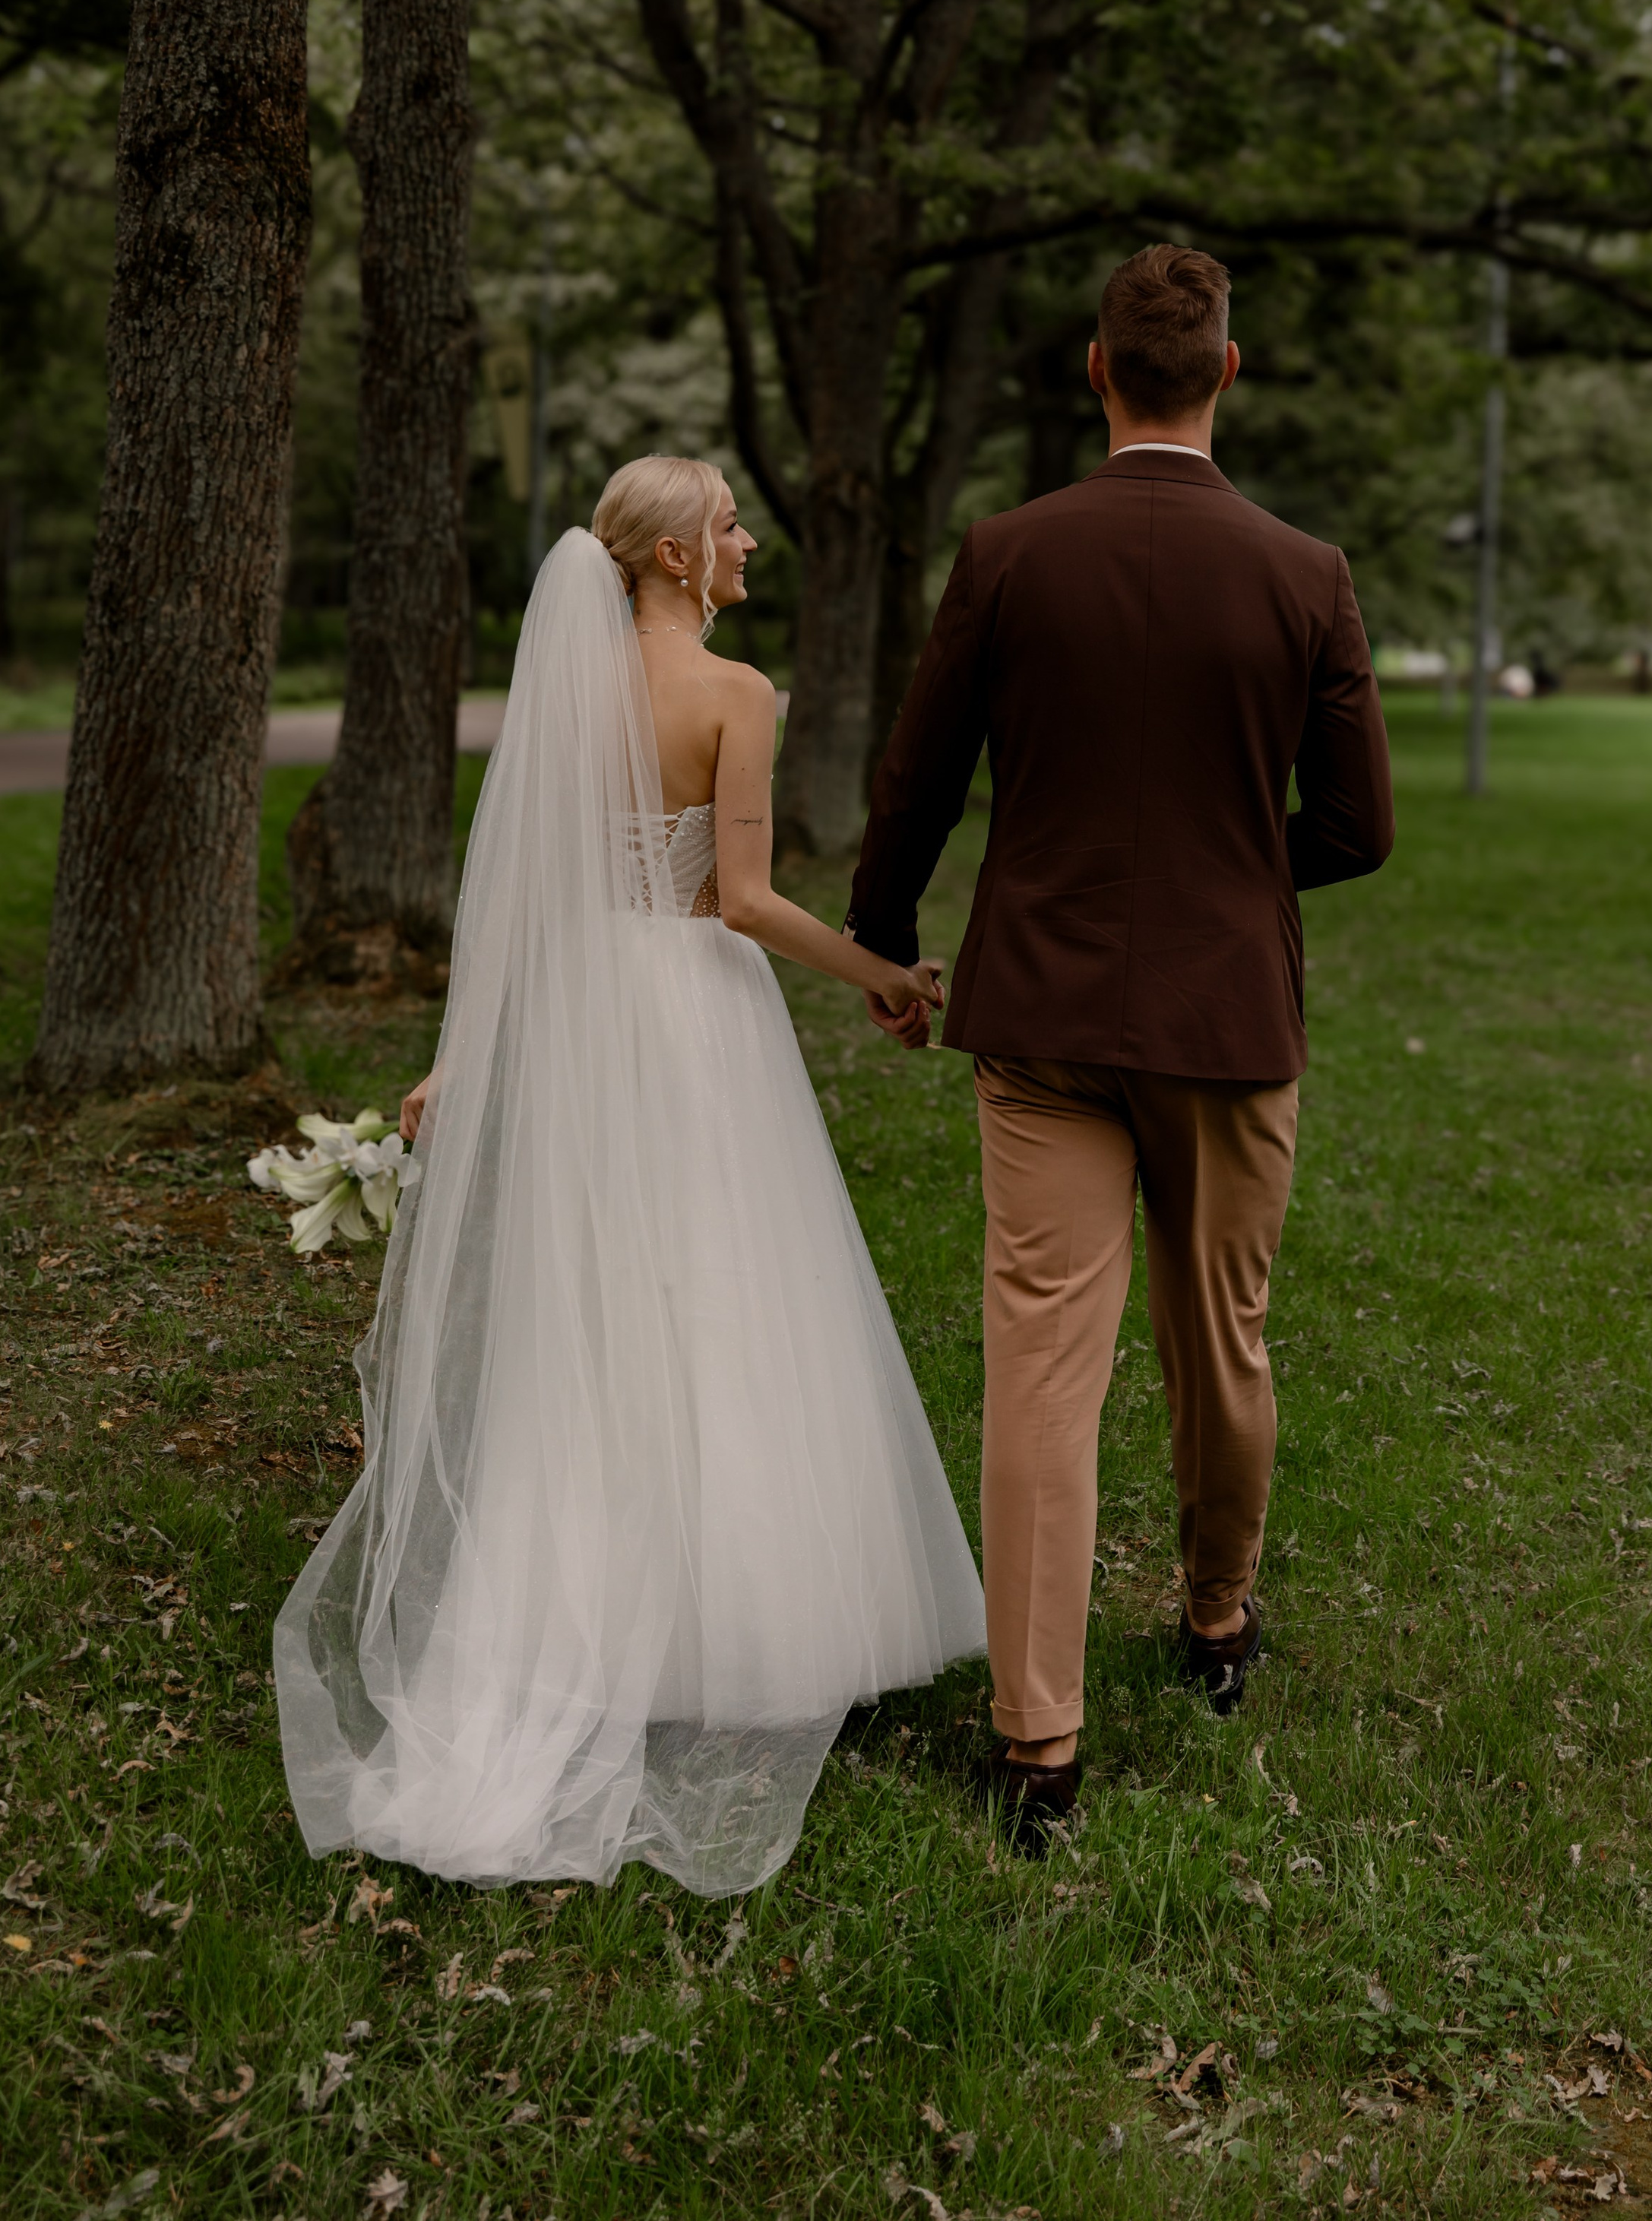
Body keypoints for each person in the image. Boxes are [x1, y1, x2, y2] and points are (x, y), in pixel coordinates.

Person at [274, 458, 984, 1896]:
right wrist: (884, 975)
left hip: (582, 1017)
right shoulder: (739, 695)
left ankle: (567, 1614)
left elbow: (527, 895)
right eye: (728, 526)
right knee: (720, 1297)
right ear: (672, 559)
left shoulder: (570, 697)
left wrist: (461, 1059)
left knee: (593, 1321)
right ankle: (738, 1628)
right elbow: (742, 900)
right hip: (690, 1021)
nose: (747, 543)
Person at [846, 245, 1394, 1849]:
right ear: (1227, 372)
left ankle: (1036, 1744)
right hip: (1225, 1021)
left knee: (1040, 1360)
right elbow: (1356, 830)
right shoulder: (1306, 572)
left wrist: (884, 944)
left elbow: (916, 783)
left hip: (1045, 1012)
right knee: (1219, 1336)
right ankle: (1215, 1617)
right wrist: (1224, 868)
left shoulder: (1007, 553)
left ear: (1095, 372)